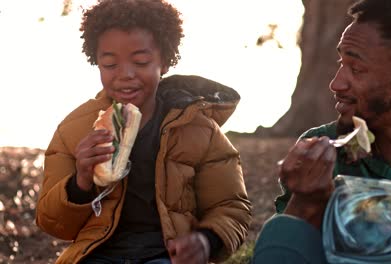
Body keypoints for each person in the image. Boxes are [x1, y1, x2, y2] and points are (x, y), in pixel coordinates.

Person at [35, 1, 252, 263]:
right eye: (109, 64)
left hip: (165, 255)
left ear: (165, 62)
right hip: (97, 254)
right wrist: (80, 182)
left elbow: (231, 206)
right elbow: (54, 224)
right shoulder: (74, 130)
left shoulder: (200, 130)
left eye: (140, 61)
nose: (125, 74)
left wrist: (206, 239)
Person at [254, 0, 391, 263]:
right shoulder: (325, 153)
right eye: (340, 62)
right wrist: (306, 202)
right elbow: (283, 253)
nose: (336, 83)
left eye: (356, 69)